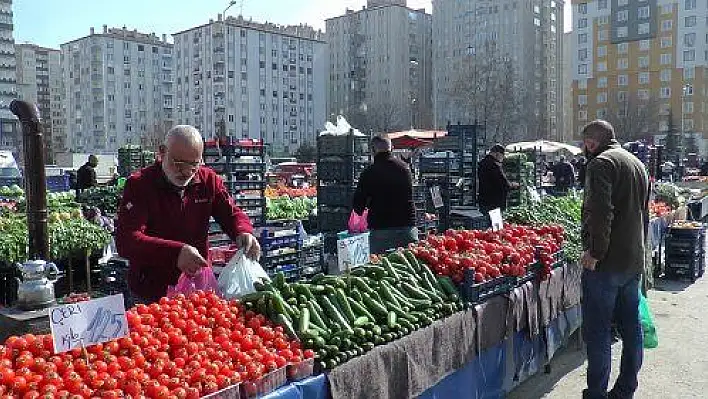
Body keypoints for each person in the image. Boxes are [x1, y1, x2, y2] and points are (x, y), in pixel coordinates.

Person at [115, 125, 261, 304]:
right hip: (152, 292)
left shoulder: (208, 180)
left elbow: (230, 213)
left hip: (197, 288)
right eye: (177, 164)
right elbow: (127, 240)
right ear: (162, 153)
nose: (184, 172)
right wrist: (176, 253)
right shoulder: (140, 184)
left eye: (192, 165)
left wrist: (242, 231)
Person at [580, 120, 649, 399]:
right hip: (632, 259)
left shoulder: (600, 164)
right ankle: (625, 389)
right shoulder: (637, 164)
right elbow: (644, 214)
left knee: (598, 331)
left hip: (606, 263)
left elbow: (601, 212)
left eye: (584, 143)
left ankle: (596, 393)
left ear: (591, 143)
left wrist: (595, 252)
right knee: (631, 327)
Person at [352, 135, 417, 254]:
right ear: (392, 148)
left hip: (381, 231)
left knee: (382, 269)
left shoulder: (369, 173)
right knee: (410, 268)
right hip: (407, 229)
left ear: (372, 150)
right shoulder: (405, 169)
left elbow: (358, 207)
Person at [477, 144, 518, 213]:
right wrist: (512, 185)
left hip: (484, 200)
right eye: (502, 156)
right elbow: (501, 183)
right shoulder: (493, 165)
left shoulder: (482, 163)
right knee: (495, 223)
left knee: (487, 221)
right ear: (497, 154)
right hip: (494, 203)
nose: (502, 158)